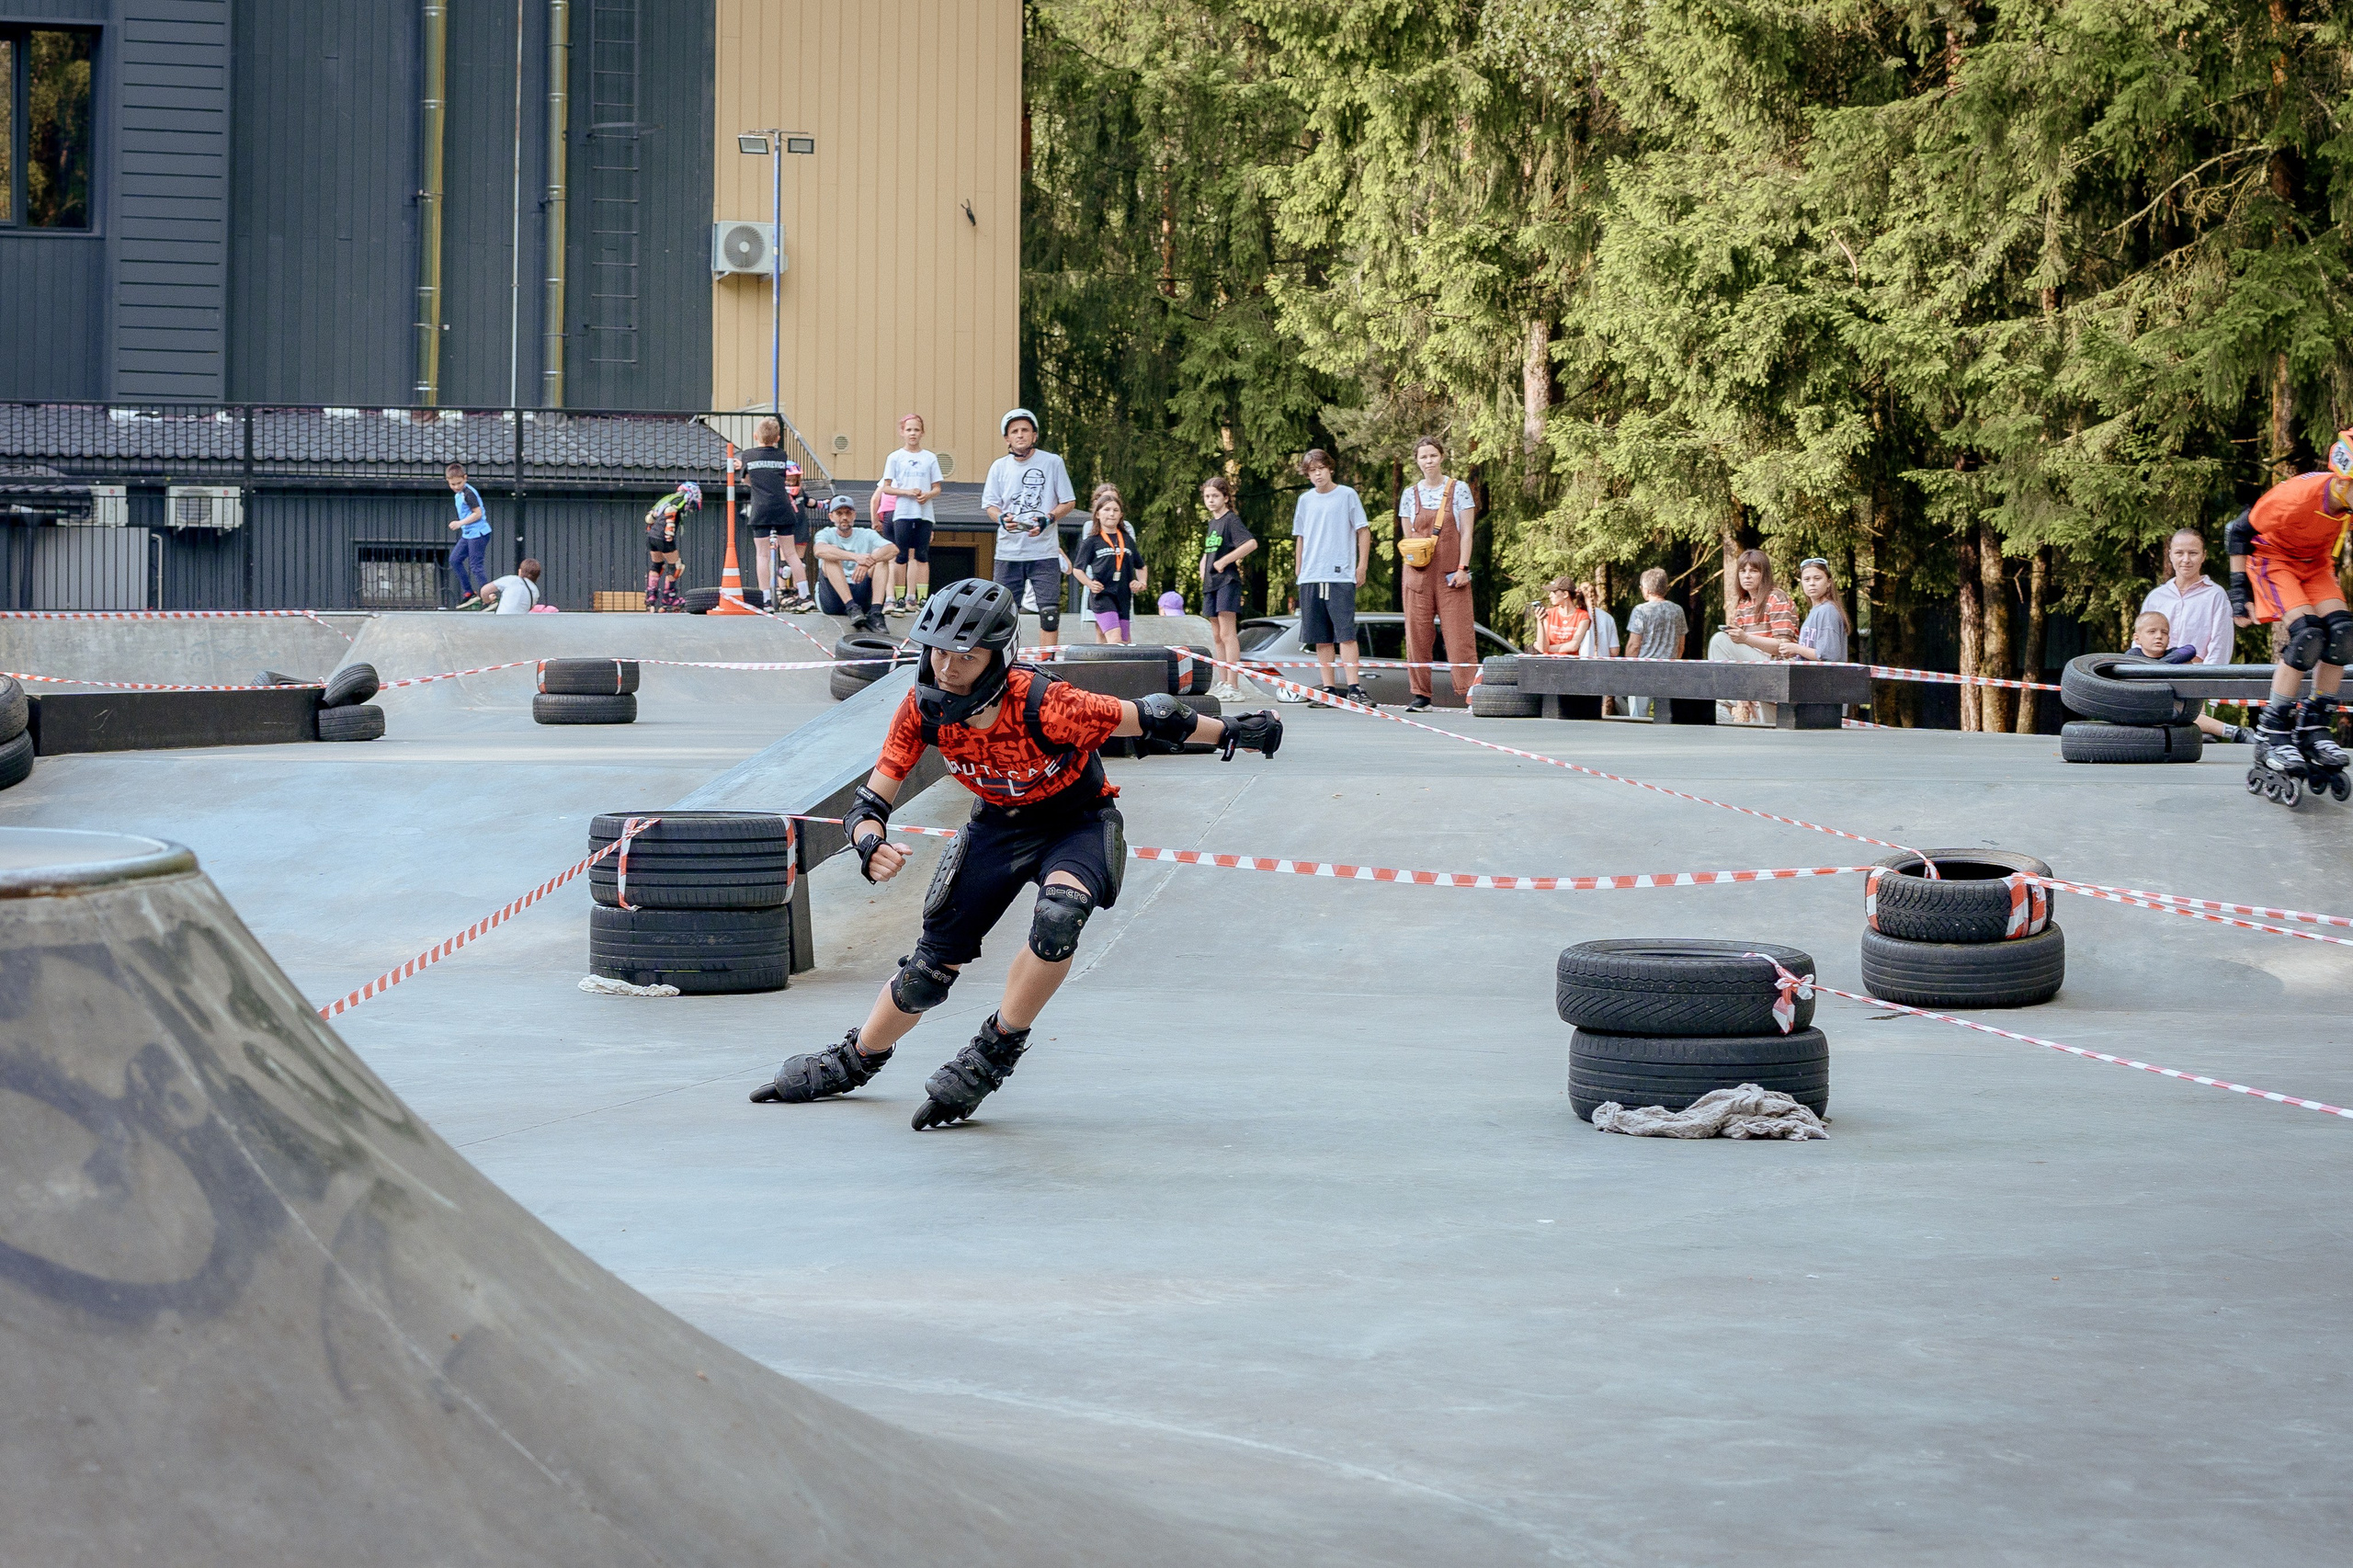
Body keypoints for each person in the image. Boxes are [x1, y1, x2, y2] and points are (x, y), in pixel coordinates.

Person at [748, 579, 1285, 1129]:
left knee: (1059, 918)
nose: (948, 669)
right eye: (937, 651)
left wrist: (1233, 732)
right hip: (995, 830)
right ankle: (854, 1060)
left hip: (1076, 822)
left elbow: (1153, 717)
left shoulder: (1048, 704)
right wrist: (869, 843)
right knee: (927, 974)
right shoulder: (921, 711)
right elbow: (869, 803)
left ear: (999, 659)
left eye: (966, 657)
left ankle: (994, 1050)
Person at [2231, 436, 2353, 789]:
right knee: (2308, 636)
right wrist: (2239, 592)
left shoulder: (2344, 504)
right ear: (2343, 483)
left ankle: (2314, 726)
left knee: (2344, 636)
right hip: (2273, 561)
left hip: (2315, 565)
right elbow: (2239, 531)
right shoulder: (2294, 498)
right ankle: (2271, 728)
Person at [982, 409, 1078, 653]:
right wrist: (1003, 519)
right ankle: (1004, 664)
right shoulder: (999, 467)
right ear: (1007, 439)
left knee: (1049, 613)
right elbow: (990, 506)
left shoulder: (1052, 462)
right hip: (1008, 553)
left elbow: (1068, 502)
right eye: (1014, 431)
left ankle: (1047, 663)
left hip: (1043, 551)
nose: (1020, 435)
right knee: (1002, 613)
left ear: (1034, 435)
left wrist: (1048, 518)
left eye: (1025, 430)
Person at [2141, 528, 2249, 743]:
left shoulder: (2215, 596)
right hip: (2159, 682)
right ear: (2170, 555)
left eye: (2193, 553)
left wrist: (2208, 689)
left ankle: (2220, 730)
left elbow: (2221, 647)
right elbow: (2143, 640)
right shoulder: (2156, 597)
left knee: (2189, 744)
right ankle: (2229, 731)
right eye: (2179, 553)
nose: (2186, 560)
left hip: (2198, 684)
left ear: (2204, 556)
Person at [1394, 437, 1477, 710]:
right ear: (1417, 461)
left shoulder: (1459, 489)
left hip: (1452, 575)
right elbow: (1409, 537)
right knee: (1417, 634)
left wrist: (1463, 567)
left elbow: (1466, 532)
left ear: (1441, 457)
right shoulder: (1410, 493)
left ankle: (1469, 692)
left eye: (1433, 455)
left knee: (1459, 634)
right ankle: (1421, 694)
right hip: (1418, 574)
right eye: (1423, 457)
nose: (1428, 461)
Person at [1291, 449, 1372, 705]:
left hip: (1339, 575)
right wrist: (1299, 568)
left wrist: (1361, 566)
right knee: (1320, 636)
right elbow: (1300, 536)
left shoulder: (1347, 495)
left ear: (1330, 468)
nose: (1317, 475)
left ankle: (1354, 687)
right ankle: (1328, 688)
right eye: (1312, 471)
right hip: (1310, 576)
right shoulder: (1305, 500)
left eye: (1320, 469)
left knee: (1345, 633)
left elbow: (1363, 530)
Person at [1711, 550, 1798, 722]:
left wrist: (1746, 638)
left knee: (1719, 641)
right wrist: (1743, 695)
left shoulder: (1776, 597)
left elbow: (1783, 647)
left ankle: (1726, 698)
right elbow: (1737, 650)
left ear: (1764, 574)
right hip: (1754, 671)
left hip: (1777, 667)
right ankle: (1729, 701)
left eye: (1753, 571)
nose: (1747, 576)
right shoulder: (1744, 604)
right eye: (1743, 571)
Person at [741, 419, 814, 611]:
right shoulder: (782, 455)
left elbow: (748, 480)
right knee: (791, 554)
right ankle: (805, 595)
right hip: (782, 507)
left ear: (755, 436)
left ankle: (766, 600)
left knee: (762, 555)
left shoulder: (748, 455)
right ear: (778, 438)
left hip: (761, 508)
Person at [1199, 474, 1259, 700]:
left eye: (1215, 496)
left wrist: (1225, 561)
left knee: (1227, 632)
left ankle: (1234, 684)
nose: (1211, 500)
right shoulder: (1212, 523)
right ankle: (1223, 682)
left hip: (1227, 582)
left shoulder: (1230, 520)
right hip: (1210, 583)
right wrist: (1203, 563)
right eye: (1207, 496)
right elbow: (1211, 550)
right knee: (1216, 635)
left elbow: (1251, 543)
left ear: (1225, 497)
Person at [880, 413, 944, 617]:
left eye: (916, 429)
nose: (912, 433)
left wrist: (928, 495)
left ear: (922, 432)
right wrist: (907, 492)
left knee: (922, 555)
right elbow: (886, 488)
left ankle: (920, 599)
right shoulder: (895, 457)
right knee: (901, 555)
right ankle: (899, 599)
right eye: (909, 430)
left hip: (925, 513)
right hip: (903, 512)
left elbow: (937, 487)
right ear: (902, 432)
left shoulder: (930, 458)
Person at [1073, 484, 1147, 643]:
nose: (1111, 514)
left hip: (1123, 595)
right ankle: (1109, 668)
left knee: (1125, 642)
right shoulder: (1091, 541)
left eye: (1115, 510)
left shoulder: (1127, 539)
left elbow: (1141, 566)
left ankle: (1112, 668)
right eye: (1106, 510)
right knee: (1114, 637)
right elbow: (1077, 569)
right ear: (1097, 513)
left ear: (1121, 515)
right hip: (1102, 595)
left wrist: (1142, 583)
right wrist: (1090, 584)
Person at [812, 494, 898, 632]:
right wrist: (856, 558)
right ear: (831, 517)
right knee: (830, 557)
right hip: (833, 599)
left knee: (882, 560)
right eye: (839, 513)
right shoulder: (825, 534)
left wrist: (868, 562)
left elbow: (893, 549)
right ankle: (851, 606)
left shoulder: (867, 534)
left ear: (854, 515)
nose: (844, 517)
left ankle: (875, 613)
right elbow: (819, 551)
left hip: (861, 594)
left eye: (848, 513)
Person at [1622, 567, 1688, 718]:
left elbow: (1634, 645)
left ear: (1645, 589)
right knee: (1666, 715)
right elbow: (1681, 645)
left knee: (1638, 716)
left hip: (1643, 669)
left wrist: (1628, 666)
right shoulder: (1677, 610)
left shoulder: (1640, 610)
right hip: (1669, 669)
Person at [642, 481, 701, 612]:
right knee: (676, 566)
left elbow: (650, 518)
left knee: (657, 565)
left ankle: (651, 598)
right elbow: (671, 510)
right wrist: (669, 528)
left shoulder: (667, 498)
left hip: (652, 535)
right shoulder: (681, 498)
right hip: (664, 534)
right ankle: (669, 598)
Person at [1776, 558, 1849, 663]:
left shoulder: (1827, 611)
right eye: (1807, 579)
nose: (1812, 583)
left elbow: (1828, 655)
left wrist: (1797, 648)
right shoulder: (1816, 610)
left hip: (1825, 678)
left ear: (1829, 582)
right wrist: (1795, 651)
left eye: (1817, 578)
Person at [446, 463, 491, 607]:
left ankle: (489, 597)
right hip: (469, 534)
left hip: (478, 533)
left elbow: (478, 514)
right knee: (454, 560)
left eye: (459, 483)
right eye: (452, 484)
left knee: (476, 566)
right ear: (447, 481)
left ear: (465, 478)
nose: (456, 486)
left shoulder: (468, 493)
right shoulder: (458, 494)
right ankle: (469, 593)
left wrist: (460, 523)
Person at [1534, 576, 1587, 656]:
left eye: (1553, 592)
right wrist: (1540, 622)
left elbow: (1573, 646)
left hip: (1571, 665)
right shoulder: (1549, 613)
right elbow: (1543, 646)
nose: (1550, 596)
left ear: (1565, 594)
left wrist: (1547, 648)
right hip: (1548, 663)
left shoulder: (1582, 616)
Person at [479, 558, 543, 614]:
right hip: (519, 626)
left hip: (500, 623)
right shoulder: (536, 592)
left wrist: (488, 600)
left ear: (520, 571)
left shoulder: (512, 580)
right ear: (537, 577)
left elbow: (484, 591)